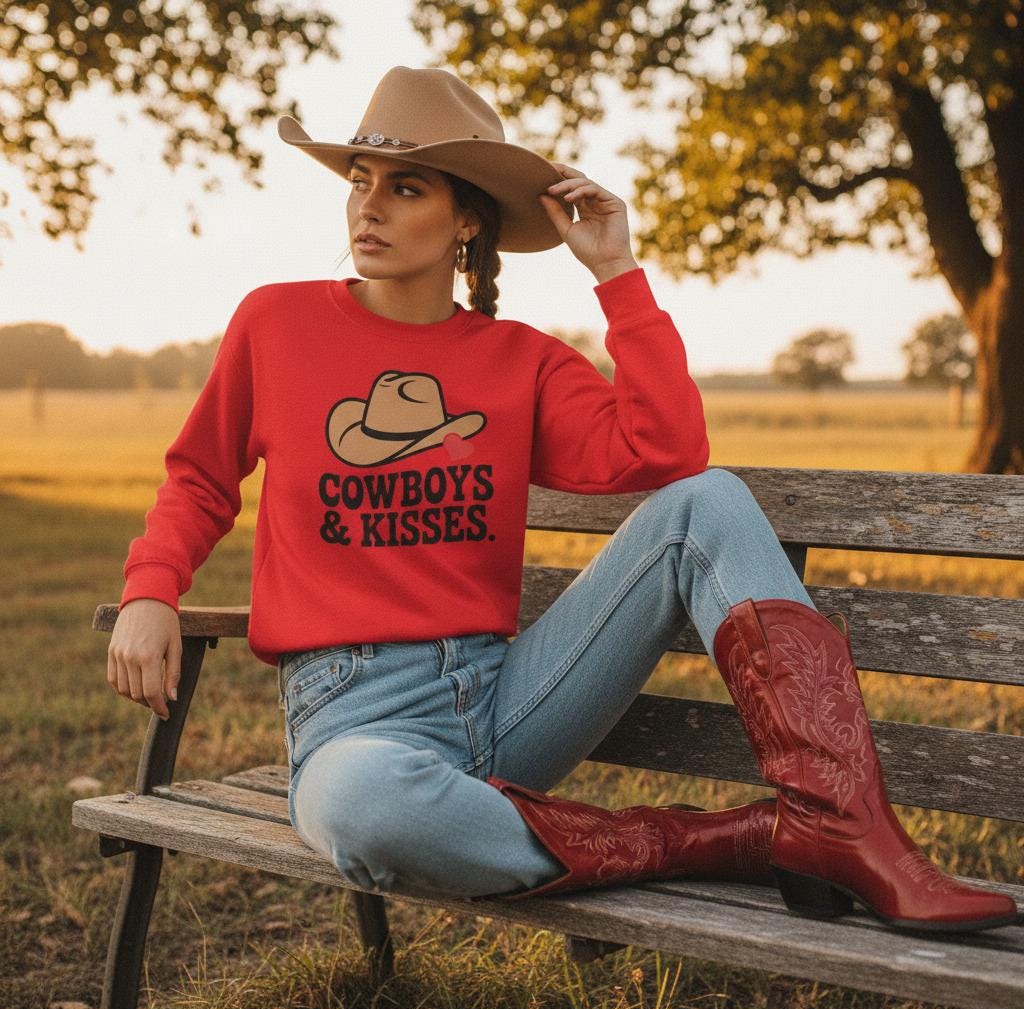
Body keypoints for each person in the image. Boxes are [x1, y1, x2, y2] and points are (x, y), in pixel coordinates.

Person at [107, 66, 1017, 933]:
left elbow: (667, 450)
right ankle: (720, 840)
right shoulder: (277, 323)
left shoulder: (521, 362)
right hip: (352, 720)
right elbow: (200, 478)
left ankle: (845, 825)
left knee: (707, 499)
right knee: (364, 811)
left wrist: (616, 273)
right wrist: (152, 588)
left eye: (407, 186)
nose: (368, 205)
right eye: (360, 178)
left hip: (507, 699)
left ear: (468, 219)